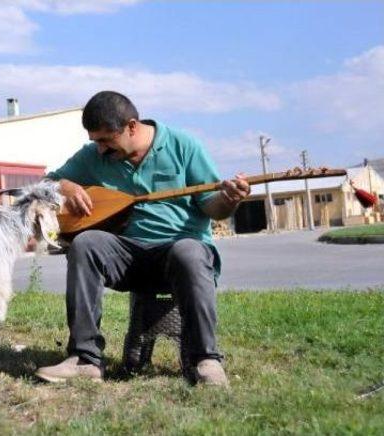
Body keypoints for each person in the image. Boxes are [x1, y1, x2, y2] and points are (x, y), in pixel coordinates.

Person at [35, 91, 250, 386]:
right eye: (94, 141)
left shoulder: (183, 146)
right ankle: (85, 359)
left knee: (189, 251)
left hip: (178, 254)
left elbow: (213, 207)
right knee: (86, 243)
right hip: (127, 256)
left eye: (106, 140)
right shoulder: (93, 156)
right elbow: (45, 183)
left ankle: (206, 360)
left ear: (132, 126)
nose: (99, 149)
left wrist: (230, 200)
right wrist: (66, 186)